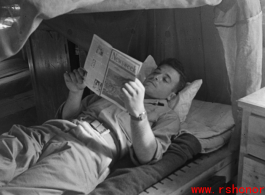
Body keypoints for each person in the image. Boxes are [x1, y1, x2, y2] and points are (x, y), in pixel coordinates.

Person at [0, 58, 186, 194]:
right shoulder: (114, 92)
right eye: (156, 72)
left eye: (165, 79)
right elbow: (70, 115)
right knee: (7, 149)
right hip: (55, 129)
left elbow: (148, 156)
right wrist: (76, 92)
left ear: (171, 95)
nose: (156, 77)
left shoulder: (168, 116)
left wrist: (137, 112)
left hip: (88, 148)